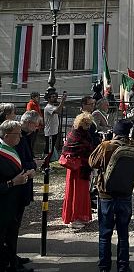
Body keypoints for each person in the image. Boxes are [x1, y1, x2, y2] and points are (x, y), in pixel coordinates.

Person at [89, 120, 134, 272]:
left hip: (107, 194)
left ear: (115, 132)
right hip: (125, 194)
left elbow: (92, 162)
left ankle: (104, 267)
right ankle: (123, 266)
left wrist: (104, 142)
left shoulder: (107, 146)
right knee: (123, 233)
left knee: (105, 233)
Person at [0, 120, 33, 272]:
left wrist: (26, 175)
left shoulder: (11, 149)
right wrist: (12, 183)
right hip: (3, 206)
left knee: (12, 236)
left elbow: (15, 171)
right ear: (6, 136)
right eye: (17, 134)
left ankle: (13, 262)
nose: (20, 136)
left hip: (14, 204)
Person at [13, 111, 42, 270]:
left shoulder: (25, 136)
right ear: (29, 123)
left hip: (24, 183)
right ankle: (11, 259)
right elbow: (18, 162)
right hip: (19, 185)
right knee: (13, 225)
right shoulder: (20, 138)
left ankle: (12, 255)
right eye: (36, 125)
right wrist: (34, 164)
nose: (37, 128)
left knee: (16, 225)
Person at [61, 112, 95, 228]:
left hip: (80, 167)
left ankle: (80, 216)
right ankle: (74, 218)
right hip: (77, 168)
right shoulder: (77, 134)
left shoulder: (78, 133)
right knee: (76, 194)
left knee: (82, 193)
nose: (88, 126)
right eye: (86, 123)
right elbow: (69, 150)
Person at [43, 90, 67, 157]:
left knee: (50, 149)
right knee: (49, 150)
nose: (55, 98)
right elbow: (58, 111)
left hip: (54, 131)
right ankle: (45, 164)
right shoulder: (48, 107)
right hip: (50, 132)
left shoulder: (52, 106)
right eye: (53, 97)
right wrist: (63, 101)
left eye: (55, 96)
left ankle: (46, 163)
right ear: (48, 98)